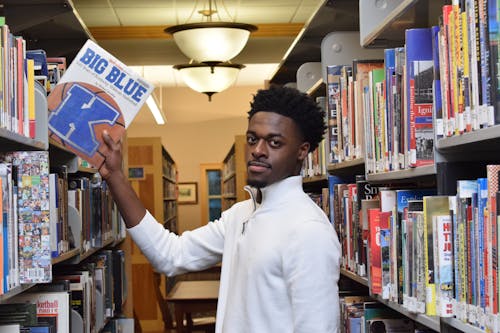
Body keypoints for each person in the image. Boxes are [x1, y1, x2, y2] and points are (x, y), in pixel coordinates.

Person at [100, 85, 341, 333]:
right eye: (252, 139)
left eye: (274, 142)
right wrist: (115, 177)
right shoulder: (241, 214)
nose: (258, 150)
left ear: (302, 151)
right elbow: (170, 255)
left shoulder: (309, 231)